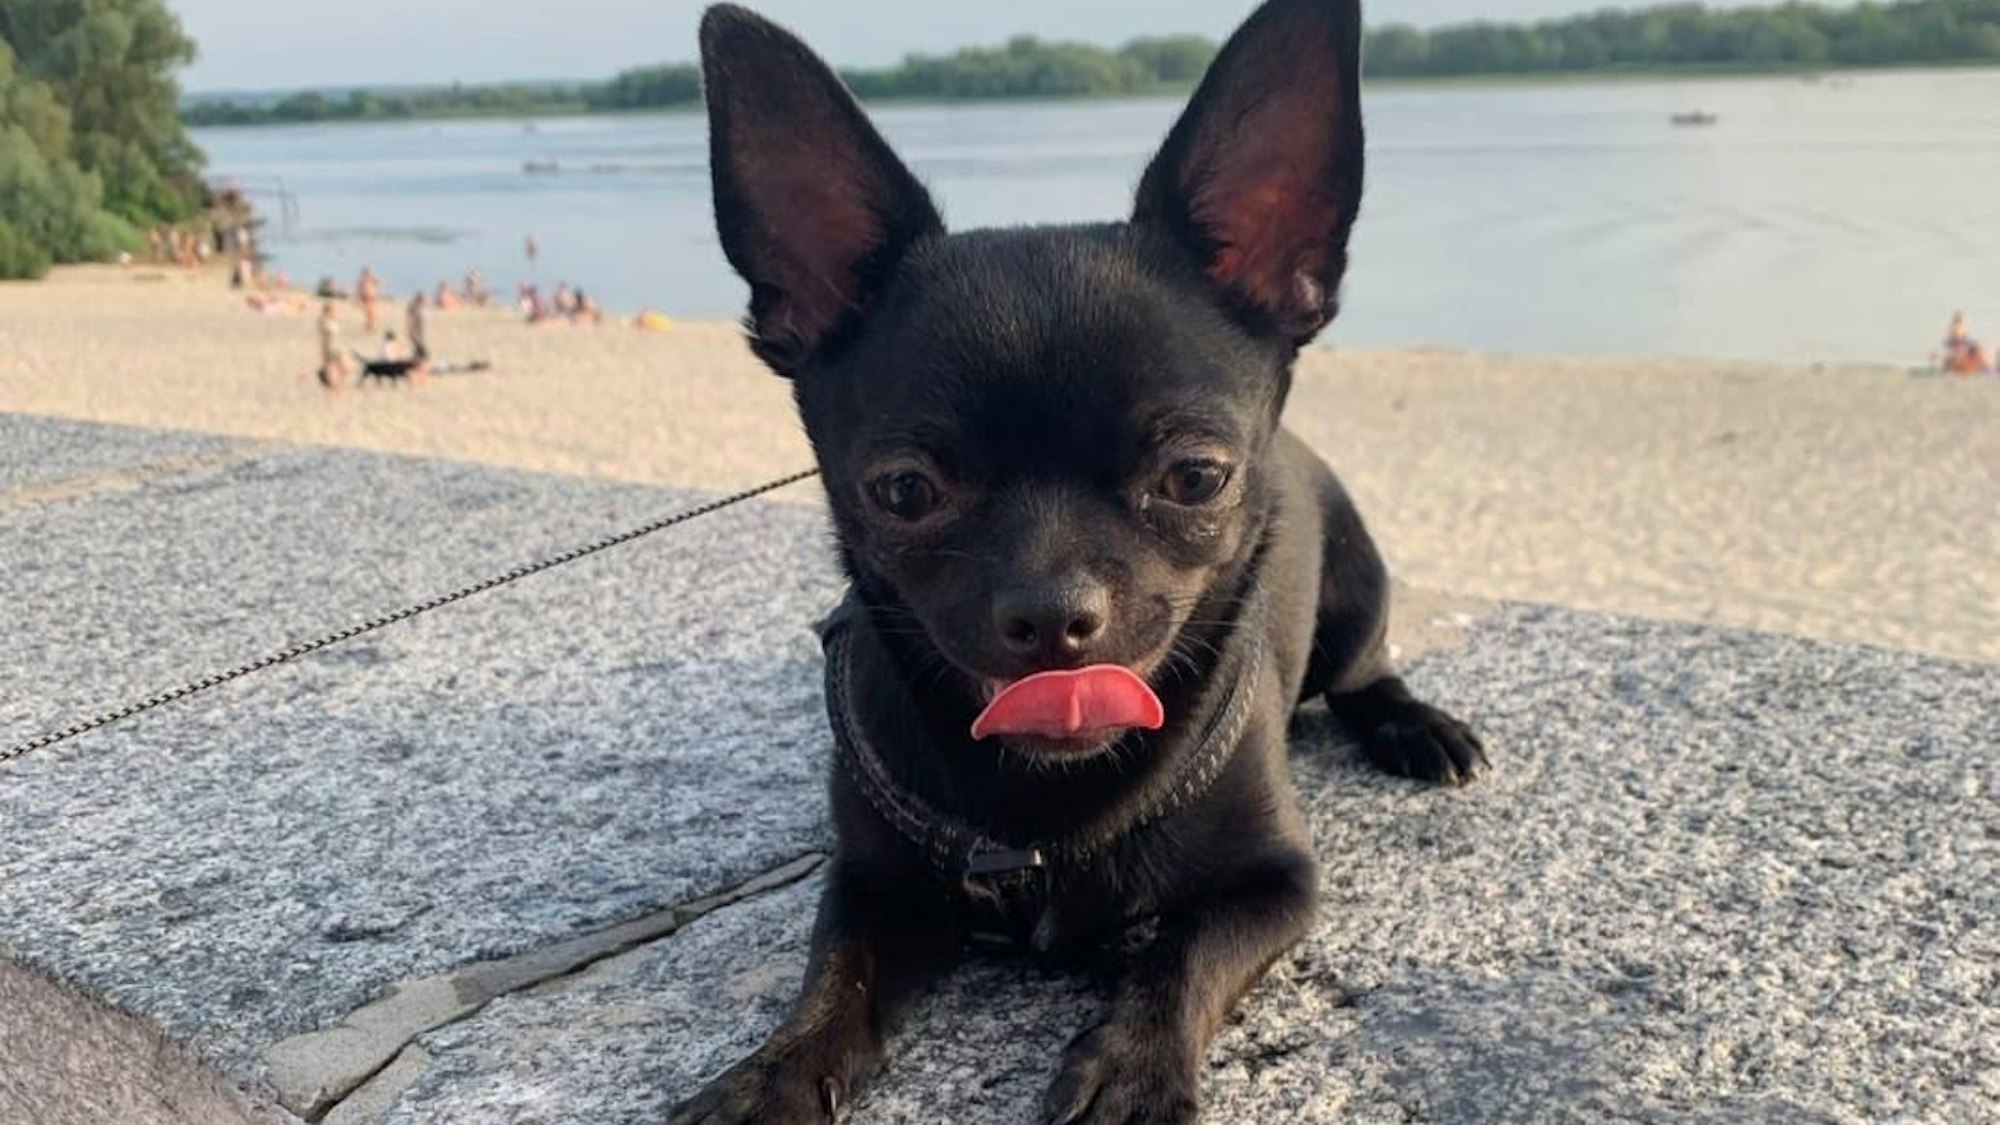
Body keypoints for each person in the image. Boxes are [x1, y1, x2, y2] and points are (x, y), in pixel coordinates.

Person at [316, 302, 349, 391]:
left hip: (336, 348)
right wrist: (322, 352)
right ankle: (333, 389)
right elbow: (323, 338)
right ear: (328, 311)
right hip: (330, 349)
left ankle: (336, 387)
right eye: (334, 311)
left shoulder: (331, 321)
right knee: (333, 371)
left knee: (345, 368)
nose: (336, 312)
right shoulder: (324, 321)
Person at [356, 267, 382, 332]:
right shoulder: (362, 280)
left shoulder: (370, 279)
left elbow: (378, 282)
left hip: (371, 297)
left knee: (371, 314)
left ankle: (371, 326)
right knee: (369, 314)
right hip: (366, 298)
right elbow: (358, 289)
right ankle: (370, 326)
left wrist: (372, 277)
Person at [406, 292, 429, 359]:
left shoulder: (419, 309)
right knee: (418, 343)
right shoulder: (418, 309)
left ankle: (419, 356)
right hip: (416, 329)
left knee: (418, 343)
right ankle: (419, 356)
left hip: (417, 329)